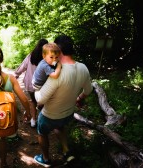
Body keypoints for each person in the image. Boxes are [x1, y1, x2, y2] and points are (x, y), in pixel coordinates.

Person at [33, 35, 93, 167]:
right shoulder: (83, 67)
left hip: (50, 115)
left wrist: (36, 90)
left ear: (59, 50)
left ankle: (45, 159)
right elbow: (88, 90)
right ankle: (66, 151)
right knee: (60, 127)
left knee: (42, 133)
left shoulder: (57, 72)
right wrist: (79, 98)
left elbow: (41, 99)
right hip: (68, 114)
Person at [14, 39, 48, 128]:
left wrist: (16, 74)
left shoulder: (31, 55)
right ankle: (42, 121)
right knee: (42, 102)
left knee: (33, 101)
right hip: (42, 85)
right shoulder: (47, 58)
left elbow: (23, 66)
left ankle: (33, 120)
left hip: (30, 84)